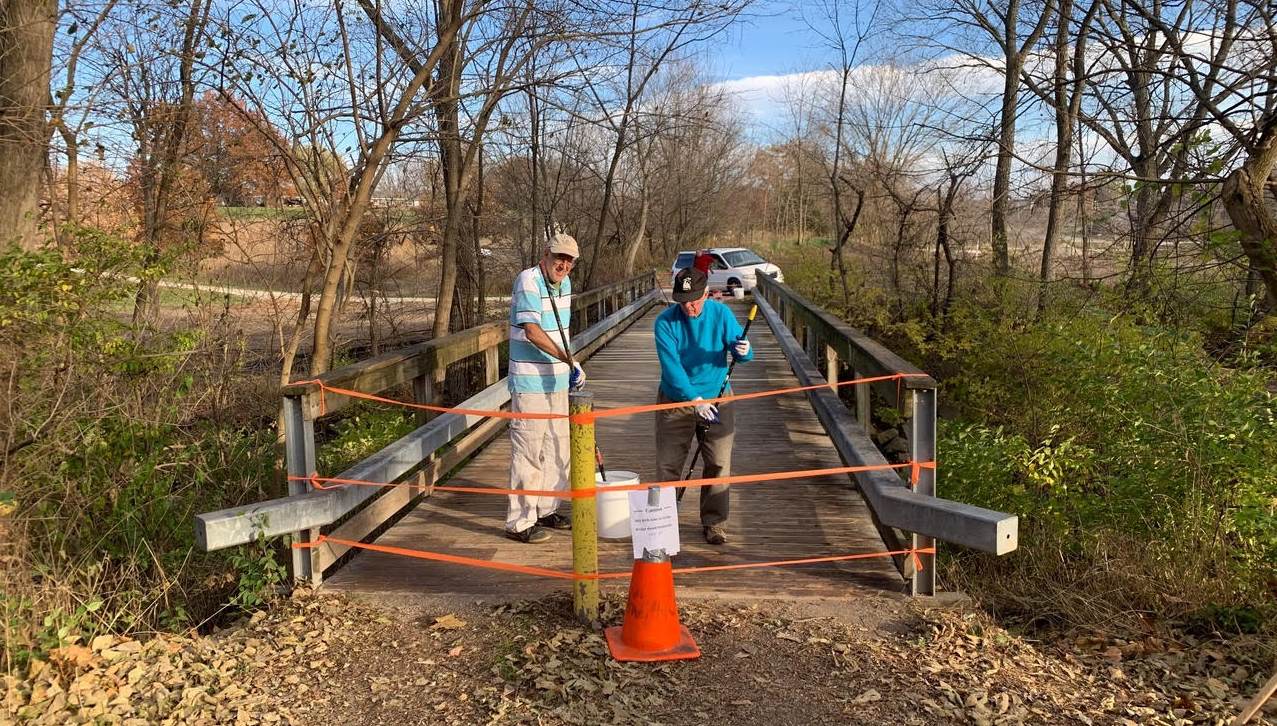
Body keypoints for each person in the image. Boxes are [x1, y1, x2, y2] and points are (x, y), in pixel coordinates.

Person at [653, 265, 753, 545]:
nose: (688, 308)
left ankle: (715, 522)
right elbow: (672, 369)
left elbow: (741, 348)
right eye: (682, 302)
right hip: (676, 400)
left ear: (707, 294)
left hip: (718, 397)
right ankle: (663, 525)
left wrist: (744, 351)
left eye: (694, 301)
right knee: (669, 465)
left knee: (719, 463)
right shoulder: (665, 322)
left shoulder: (721, 314)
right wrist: (694, 400)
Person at [505, 233, 586, 544]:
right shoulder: (528, 281)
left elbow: (560, 332)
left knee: (556, 446)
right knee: (528, 450)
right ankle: (519, 521)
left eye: (569, 260)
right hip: (529, 381)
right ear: (546, 255)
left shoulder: (564, 285)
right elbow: (533, 331)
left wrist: (569, 368)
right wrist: (571, 359)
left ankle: (545, 509)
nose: (563, 264)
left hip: (556, 380)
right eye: (558, 258)